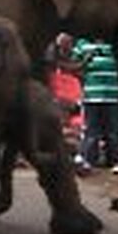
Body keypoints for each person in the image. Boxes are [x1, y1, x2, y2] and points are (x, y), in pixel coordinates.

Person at [74, 36, 118, 174]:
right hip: (92, 95)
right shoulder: (82, 44)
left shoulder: (115, 44)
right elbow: (73, 66)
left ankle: (116, 160)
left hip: (112, 95)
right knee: (91, 131)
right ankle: (89, 160)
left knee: (113, 131)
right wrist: (85, 63)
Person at [44, 33, 84, 164]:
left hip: (73, 100)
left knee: (75, 126)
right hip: (59, 101)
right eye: (63, 44)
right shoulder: (52, 68)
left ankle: (74, 154)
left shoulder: (75, 66)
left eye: (69, 44)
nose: (66, 47)